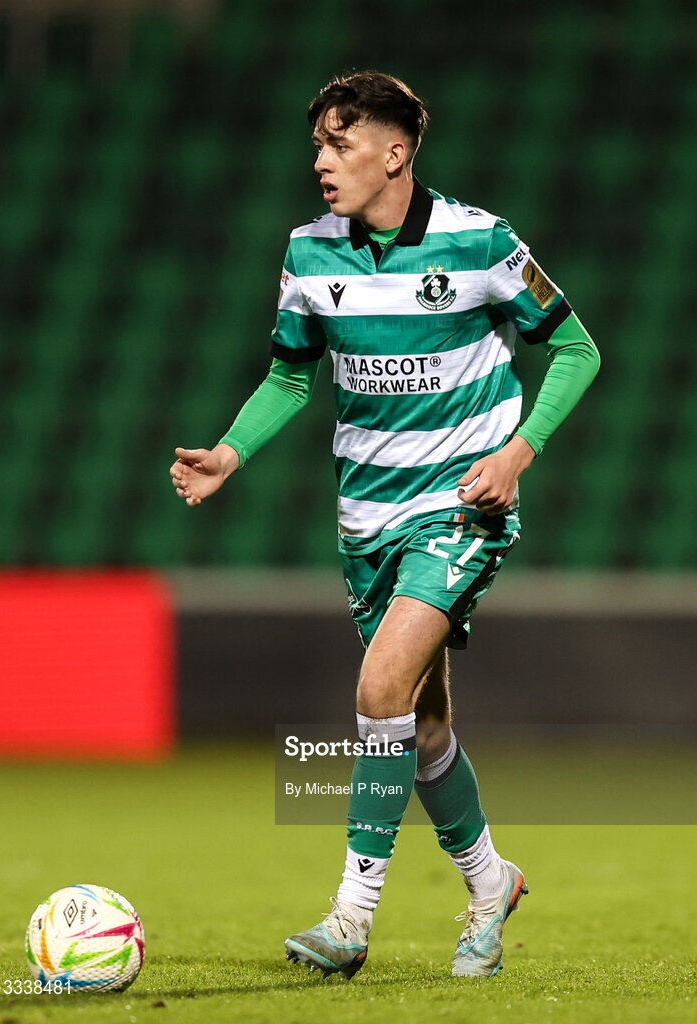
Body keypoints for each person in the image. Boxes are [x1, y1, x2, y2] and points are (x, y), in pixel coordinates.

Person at [170, 72, 600, 980]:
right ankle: (491, 883)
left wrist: (517, 454)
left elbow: (575, 347)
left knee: (379, 687)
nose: (320, 162)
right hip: (366, 517)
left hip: (461, 505)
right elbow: (291, 378)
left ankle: (349, 920)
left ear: (395, 152)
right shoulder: (307, 253)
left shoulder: (482, 240)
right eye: (318, 146)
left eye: (339, 143)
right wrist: (229, 454)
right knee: (425, 726)